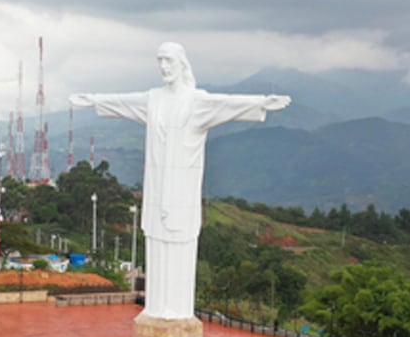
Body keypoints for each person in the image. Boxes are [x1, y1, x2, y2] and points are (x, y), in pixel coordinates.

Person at [71, 43, 290, 321]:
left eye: (169, 61)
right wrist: (93, 100)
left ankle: (179, 311)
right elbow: (124, 102)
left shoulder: (196, 102)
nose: (164, 67)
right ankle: (155, 308)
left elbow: (227, 104)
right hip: (157, 189)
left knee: (181, 246)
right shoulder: (153, 100)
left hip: (183, 191)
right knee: (156, 243)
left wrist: (260, 103)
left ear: (181, 64)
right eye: (159, 61)